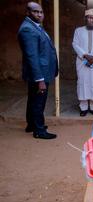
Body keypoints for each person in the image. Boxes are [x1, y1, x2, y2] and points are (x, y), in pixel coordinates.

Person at [18, 2, 58, 139]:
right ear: (28, 13)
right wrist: (40, 79)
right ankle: (39, 130)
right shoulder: (27, 29)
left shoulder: (35, 27)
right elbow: (32, 56)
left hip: (40, 72)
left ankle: (32, 125)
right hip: (39, 74)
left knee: (33, 99)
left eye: (41, 12)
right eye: (36, 12)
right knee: (38, 102)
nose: (39, 14)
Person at [72, 9, 93, 117]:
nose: (91, 20)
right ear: (85, 18)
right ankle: (83, 107)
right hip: (82, 61)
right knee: (83, 83)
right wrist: (85, 56)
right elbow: (75, 44)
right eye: (89, 17)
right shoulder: (78, 31)